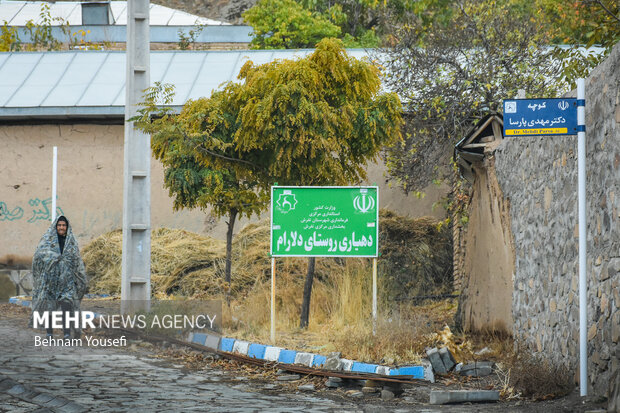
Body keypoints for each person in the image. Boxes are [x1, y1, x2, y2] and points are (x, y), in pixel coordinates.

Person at [31, 216, 87, 339]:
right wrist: (52, 259)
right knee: (49, 308)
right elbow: (38, 257)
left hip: (67, 282)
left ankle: (66, 333)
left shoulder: (71, 242)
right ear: (55, 227)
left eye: (64, 225)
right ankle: (49, 333)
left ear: (67, 227)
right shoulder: (47, 241)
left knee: (67, 305)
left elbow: (77, 260)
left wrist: (80, 279)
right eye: (59, 225)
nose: (61, 227)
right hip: (50, 282)